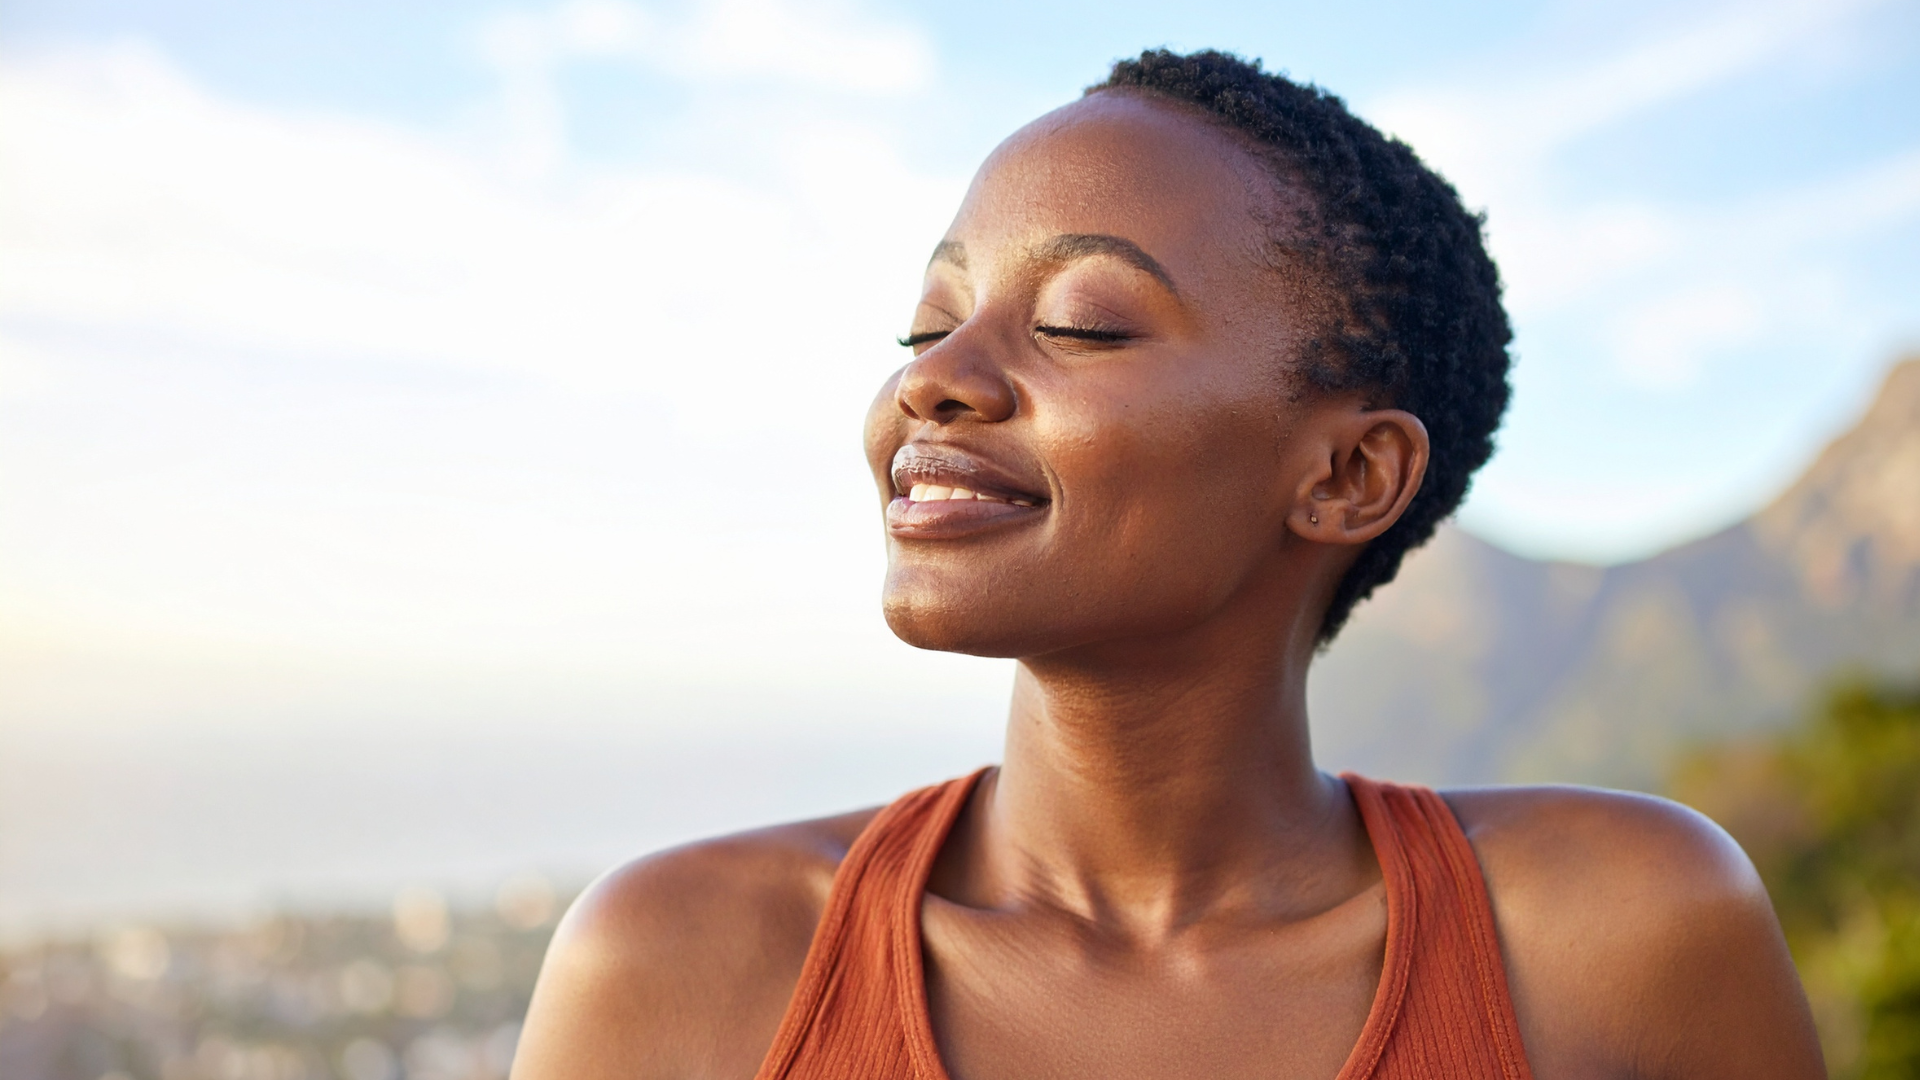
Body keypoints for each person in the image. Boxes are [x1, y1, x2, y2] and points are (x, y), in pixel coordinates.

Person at [510, 50, 1825, 1080]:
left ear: (1346, 476)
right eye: (928, 318)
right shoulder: (675, 966)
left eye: (1079, 321)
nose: (935, 378)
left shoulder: (1622, 933)